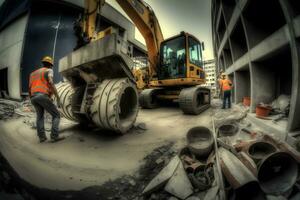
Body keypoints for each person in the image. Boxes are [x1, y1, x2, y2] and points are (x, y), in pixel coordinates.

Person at [29, 56, 64, 143]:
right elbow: (51, 83)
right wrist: (58, 97)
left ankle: (42, 137)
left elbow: (30, 88)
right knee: (56, 115)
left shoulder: (32, 74)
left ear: (43, 63)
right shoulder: (48, 70)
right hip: (42, 96)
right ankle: (54, 136)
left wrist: (32, 97)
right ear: (50, 65)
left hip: (33, 97)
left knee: (40, 117)